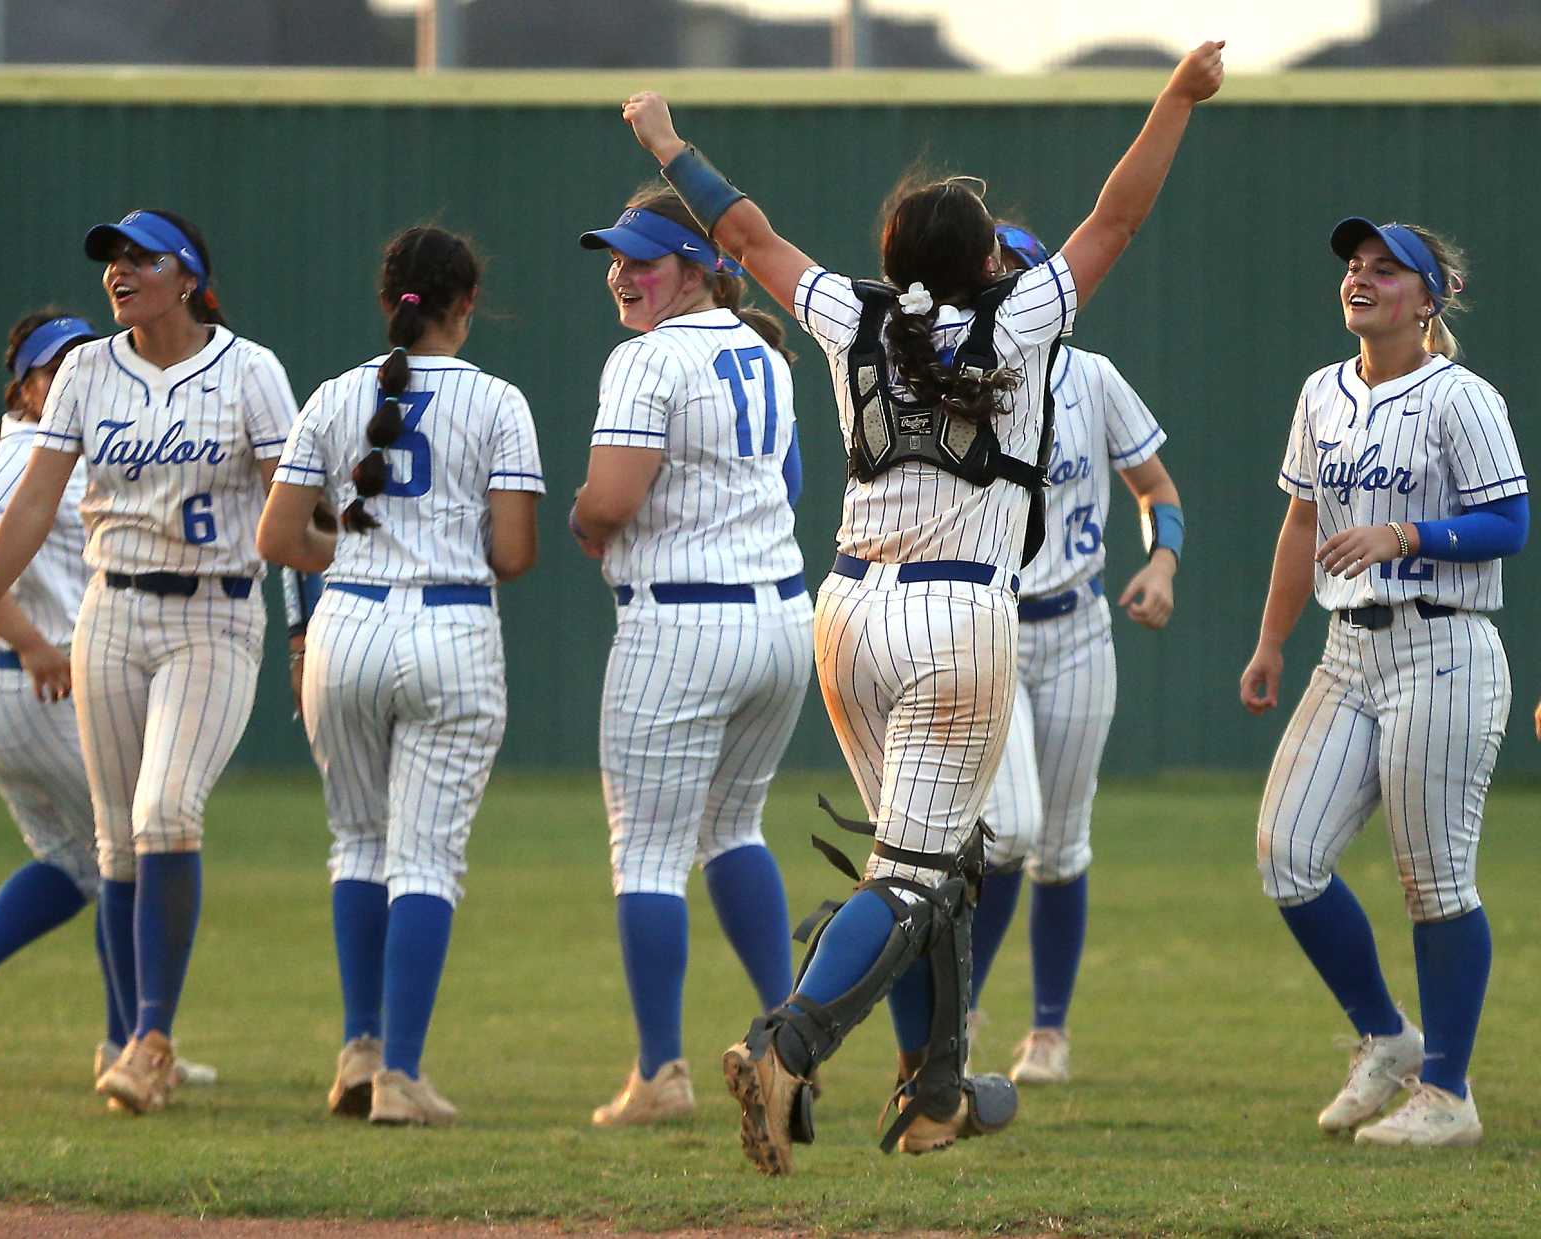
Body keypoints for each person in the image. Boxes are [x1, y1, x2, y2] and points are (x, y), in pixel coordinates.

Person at [616, 40, 1225, 1174]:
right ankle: (788, 1044)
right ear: (987, 258)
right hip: (955, 624)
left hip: (844, 615)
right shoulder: (1023, 319)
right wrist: (1174, 98)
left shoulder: (853, 315)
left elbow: (741, 234)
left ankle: (938, 1091)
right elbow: (1117, 215)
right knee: (911, 874)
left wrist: (666, 144)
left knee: (935, 864)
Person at [0, 210, 298, 1115]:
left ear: (188, 277)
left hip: (213, 616)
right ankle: (138, 1037)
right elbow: (27, 508)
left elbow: (294, 514)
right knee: (114, 843)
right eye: (111, 259)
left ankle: (151, 1039)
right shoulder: (89, 371)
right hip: (112, 609)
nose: (119, 272)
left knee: (168, 810)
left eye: (140, 258)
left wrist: (306, 627)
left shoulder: (251, 371)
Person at [1239, 218, 1526, 1148]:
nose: (1360, 279)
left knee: (1434, 879)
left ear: (1427, 297)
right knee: (1286, 850)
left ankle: (1448, 1091)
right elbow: (1300, 523)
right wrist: (1271, 640)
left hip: (1443, 648)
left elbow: (1510, 521)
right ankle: (1389, 1036)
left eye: (1384, 270)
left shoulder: (1460, 395)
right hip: (1346, 650)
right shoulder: (1322, 392)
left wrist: (1410, 535)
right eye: (1354, 267)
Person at [257, 225, 542, 1126]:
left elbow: (277, 541)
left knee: (358, 846)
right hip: (449, 626)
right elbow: (515, 554)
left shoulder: (336, 395)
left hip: (344, 625)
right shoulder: (498, 400)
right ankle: (402, 1077)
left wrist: (348, 550)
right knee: (424, 857)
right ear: (465, 305)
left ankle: (360, 1049)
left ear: (390, 304)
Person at [0, 311, 216, 1095]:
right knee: (134, 854)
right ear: (27, 387)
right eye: (61, 366)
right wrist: (34, 639)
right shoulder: (33, 448)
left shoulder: (66, 448)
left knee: (78, 862)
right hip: (32, 677)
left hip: (11, 689)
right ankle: (127, 1044)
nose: (81, 374)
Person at [567, 187, 810, 1129]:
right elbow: (785, 485)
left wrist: (588, 516)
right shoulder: (766, 351)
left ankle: (661, 1072)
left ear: (698, 267)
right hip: (780, 621)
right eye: (616, 258)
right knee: (737, 828)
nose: (622, 274)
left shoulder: (648, 356)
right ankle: (796, 1039)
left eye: (643, 258)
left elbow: (612, 499)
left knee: (649, 855)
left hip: (682, 625)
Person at [966, 222, 1186, 1086]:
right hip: (990, 624)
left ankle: (1048, 1031)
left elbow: (1156, 488)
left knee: (1061, 842)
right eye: (987, 271)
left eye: (1013, 268)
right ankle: (966, 1011)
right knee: (1004, 832)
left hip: (1079, 625)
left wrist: (1163, 559)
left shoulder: (1090, 377)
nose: (1002, 283)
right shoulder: (956, 372)